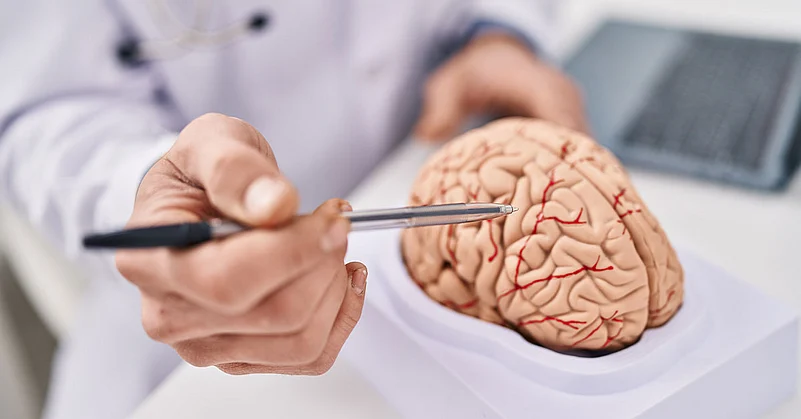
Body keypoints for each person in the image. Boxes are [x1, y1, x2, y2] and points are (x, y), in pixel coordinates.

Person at [0, 1, 587, 418]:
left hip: (440, 175)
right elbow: (42, 104)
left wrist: (497, 33)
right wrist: (143, 187)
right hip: (192, 348)